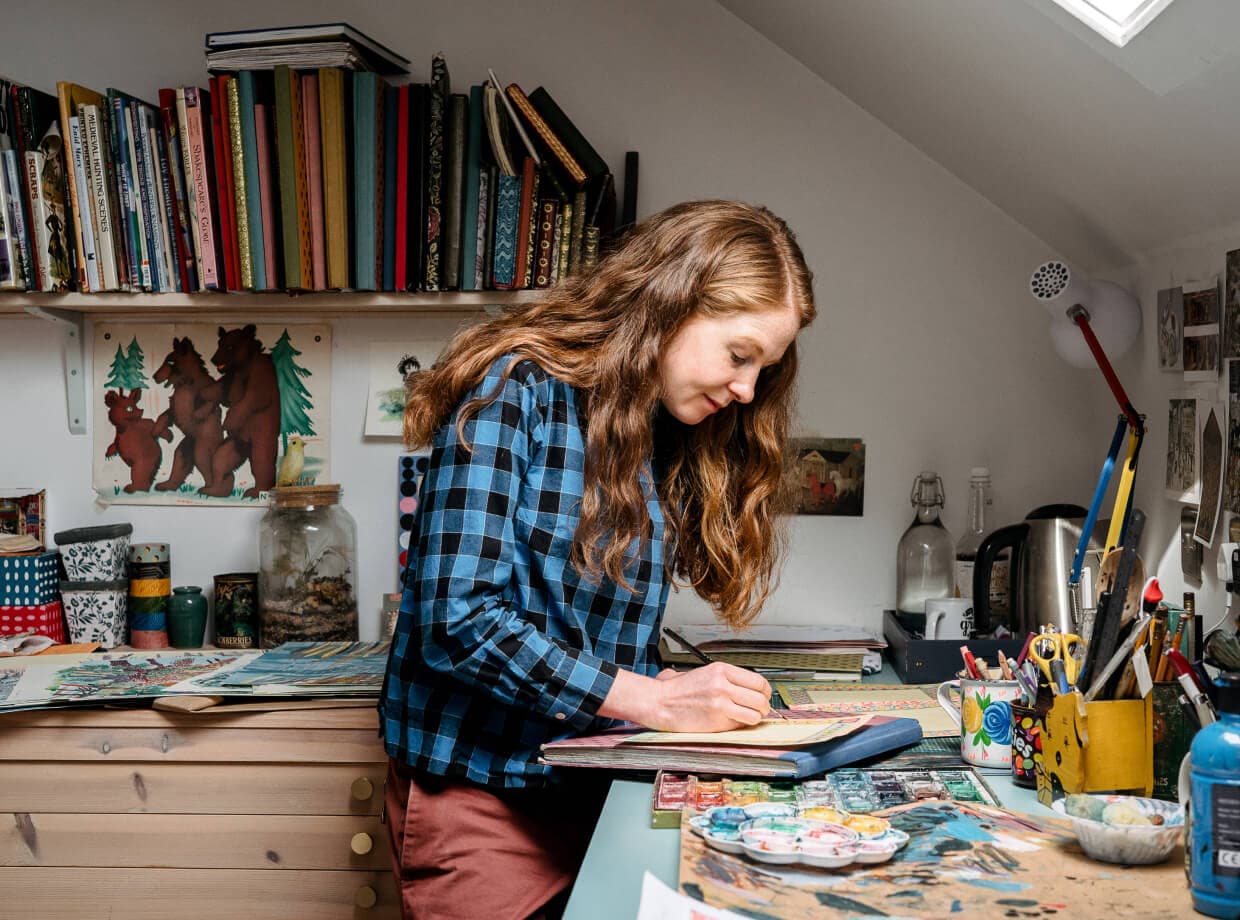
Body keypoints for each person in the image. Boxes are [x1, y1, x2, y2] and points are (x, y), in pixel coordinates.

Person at [380, 199, 817, 920]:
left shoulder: (650, 425)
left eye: (762, 370)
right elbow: (454, 620)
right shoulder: (513, 386)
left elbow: (581, 638)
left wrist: (678, 693)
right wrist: (653, 700)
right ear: (672, 303)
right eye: (740, 355)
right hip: (480, 800)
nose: (746, 390)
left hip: (592, 786)